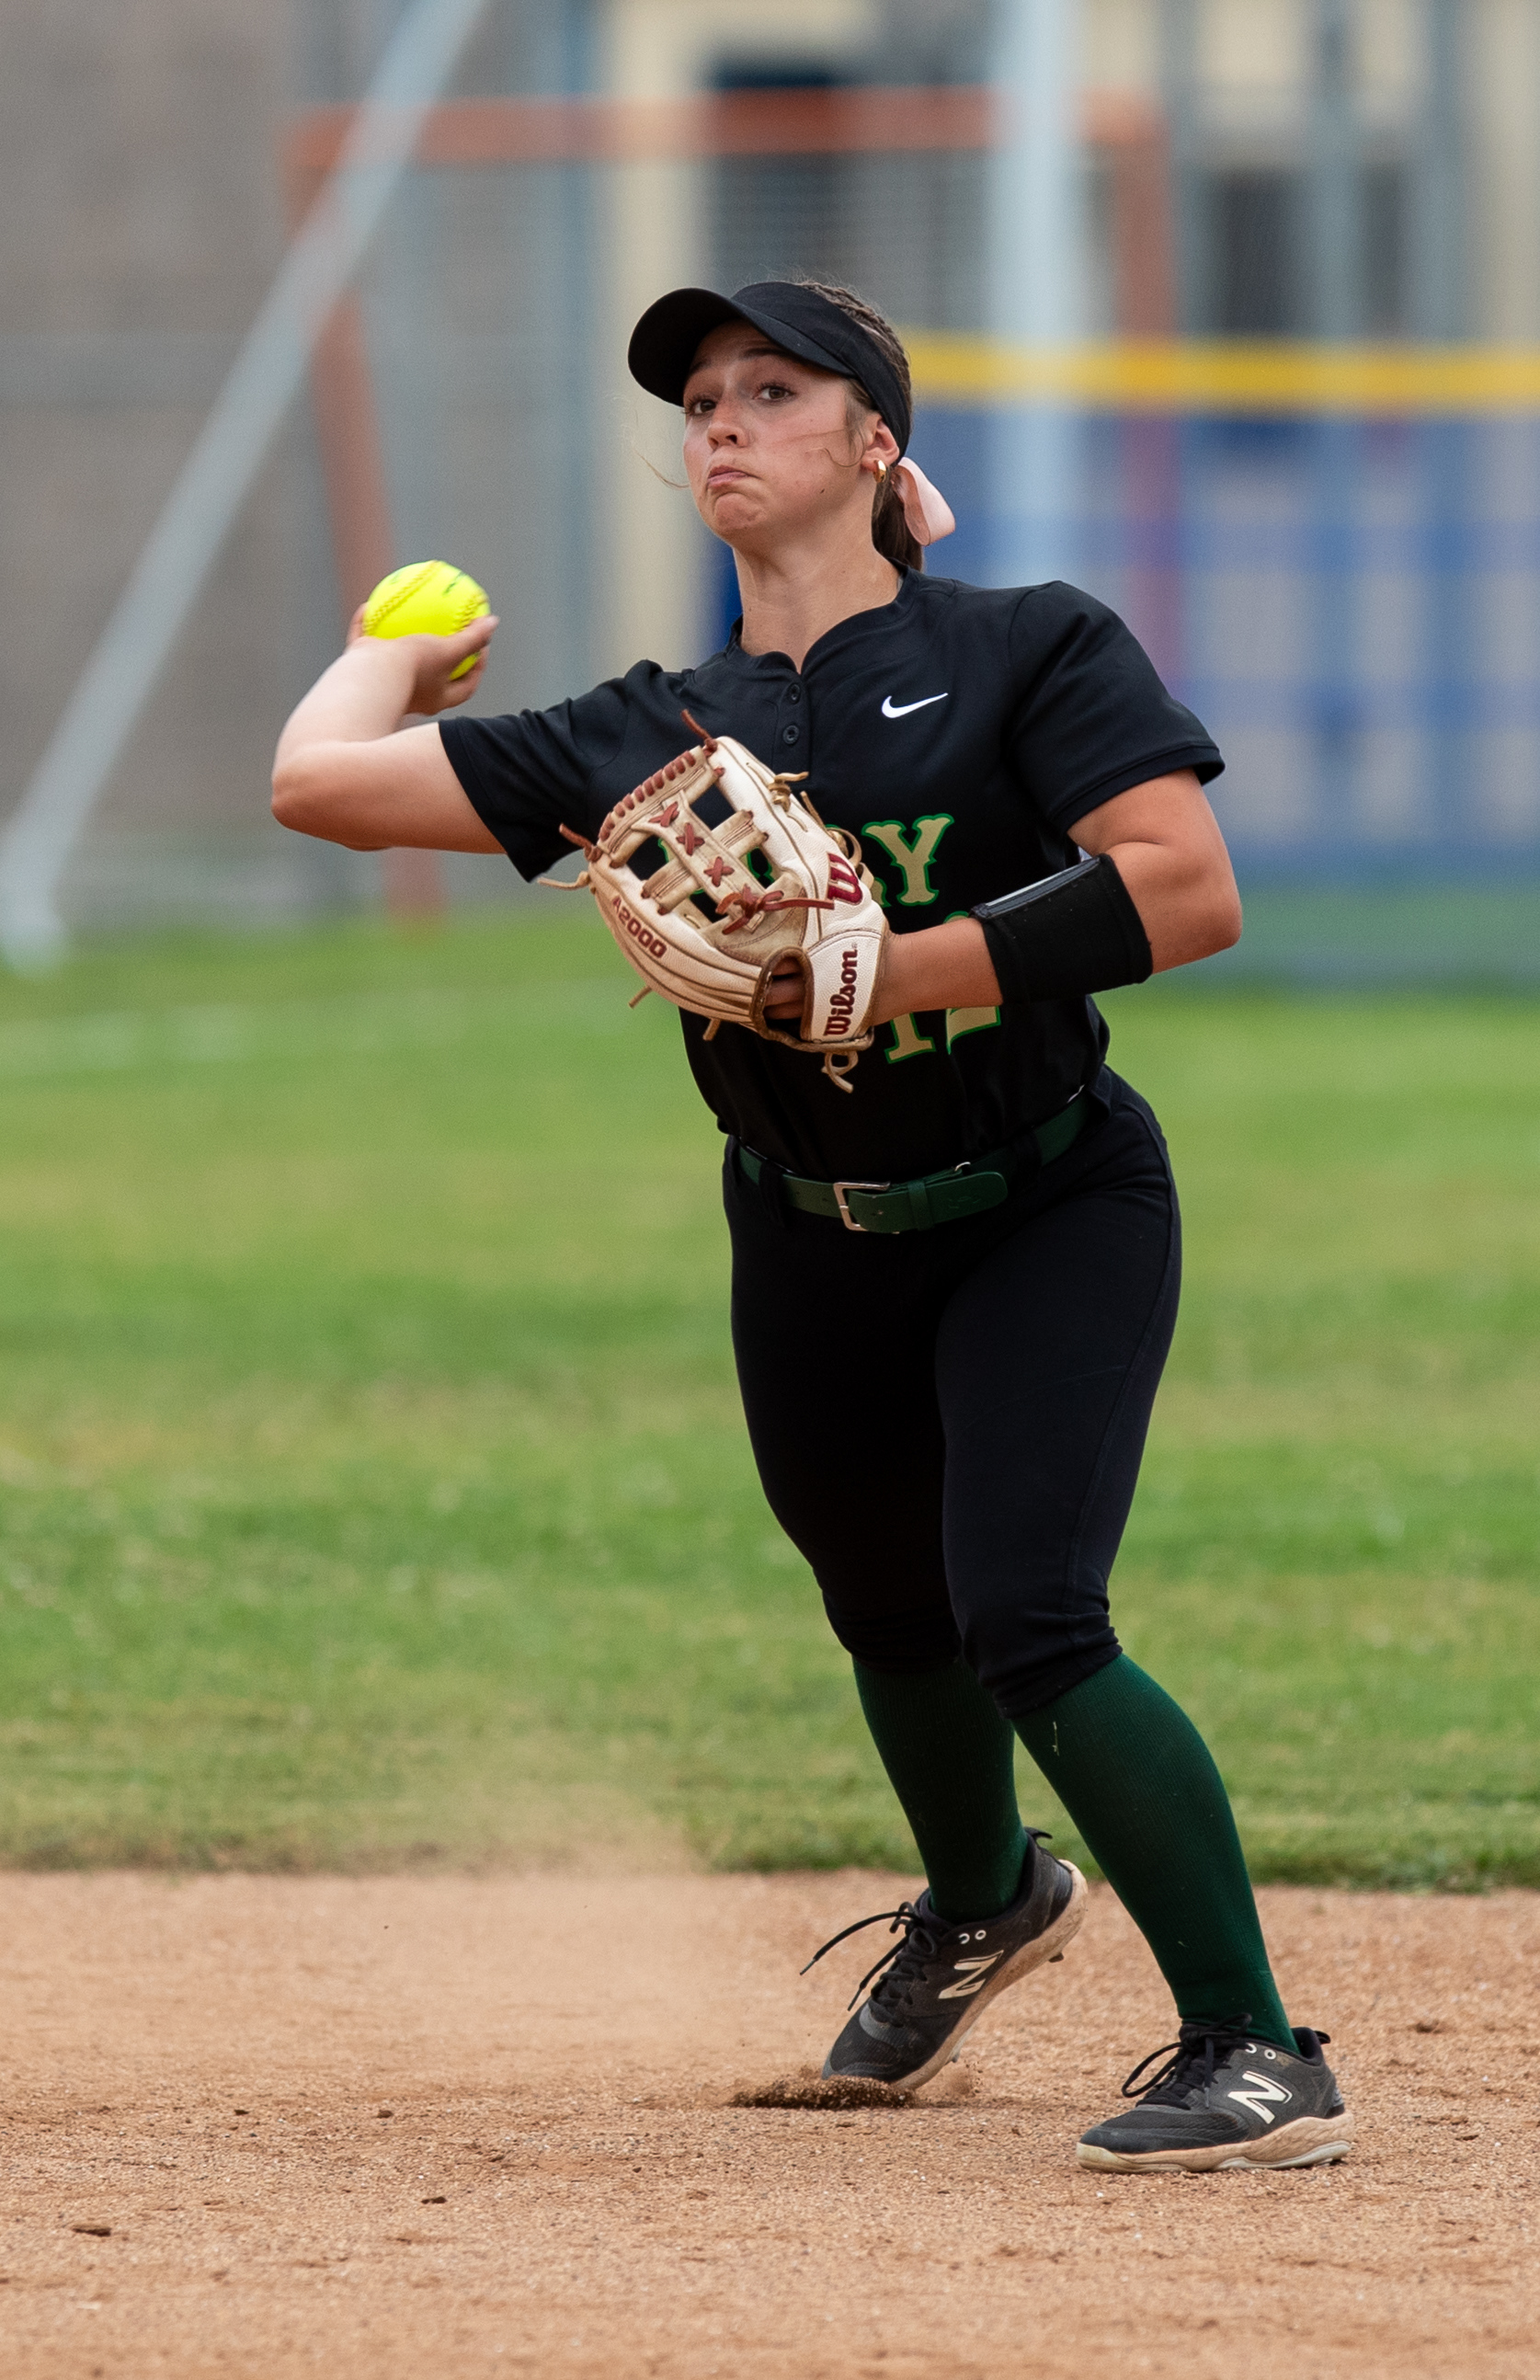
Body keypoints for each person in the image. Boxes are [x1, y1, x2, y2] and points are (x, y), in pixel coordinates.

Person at [271, 278, 1352, 2175]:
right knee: (888, 1612)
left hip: (1045, 1195)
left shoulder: (1026, 648)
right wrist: (392, 649)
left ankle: (1256, 2049)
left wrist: (889, 966)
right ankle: (983, 1899)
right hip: (802, 1224)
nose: (721, 420)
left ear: (876, 444)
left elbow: (1185, 890)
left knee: (1030, 1613)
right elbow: (317, 787)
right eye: (698, 398)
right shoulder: (648, 726)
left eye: (774, 388)